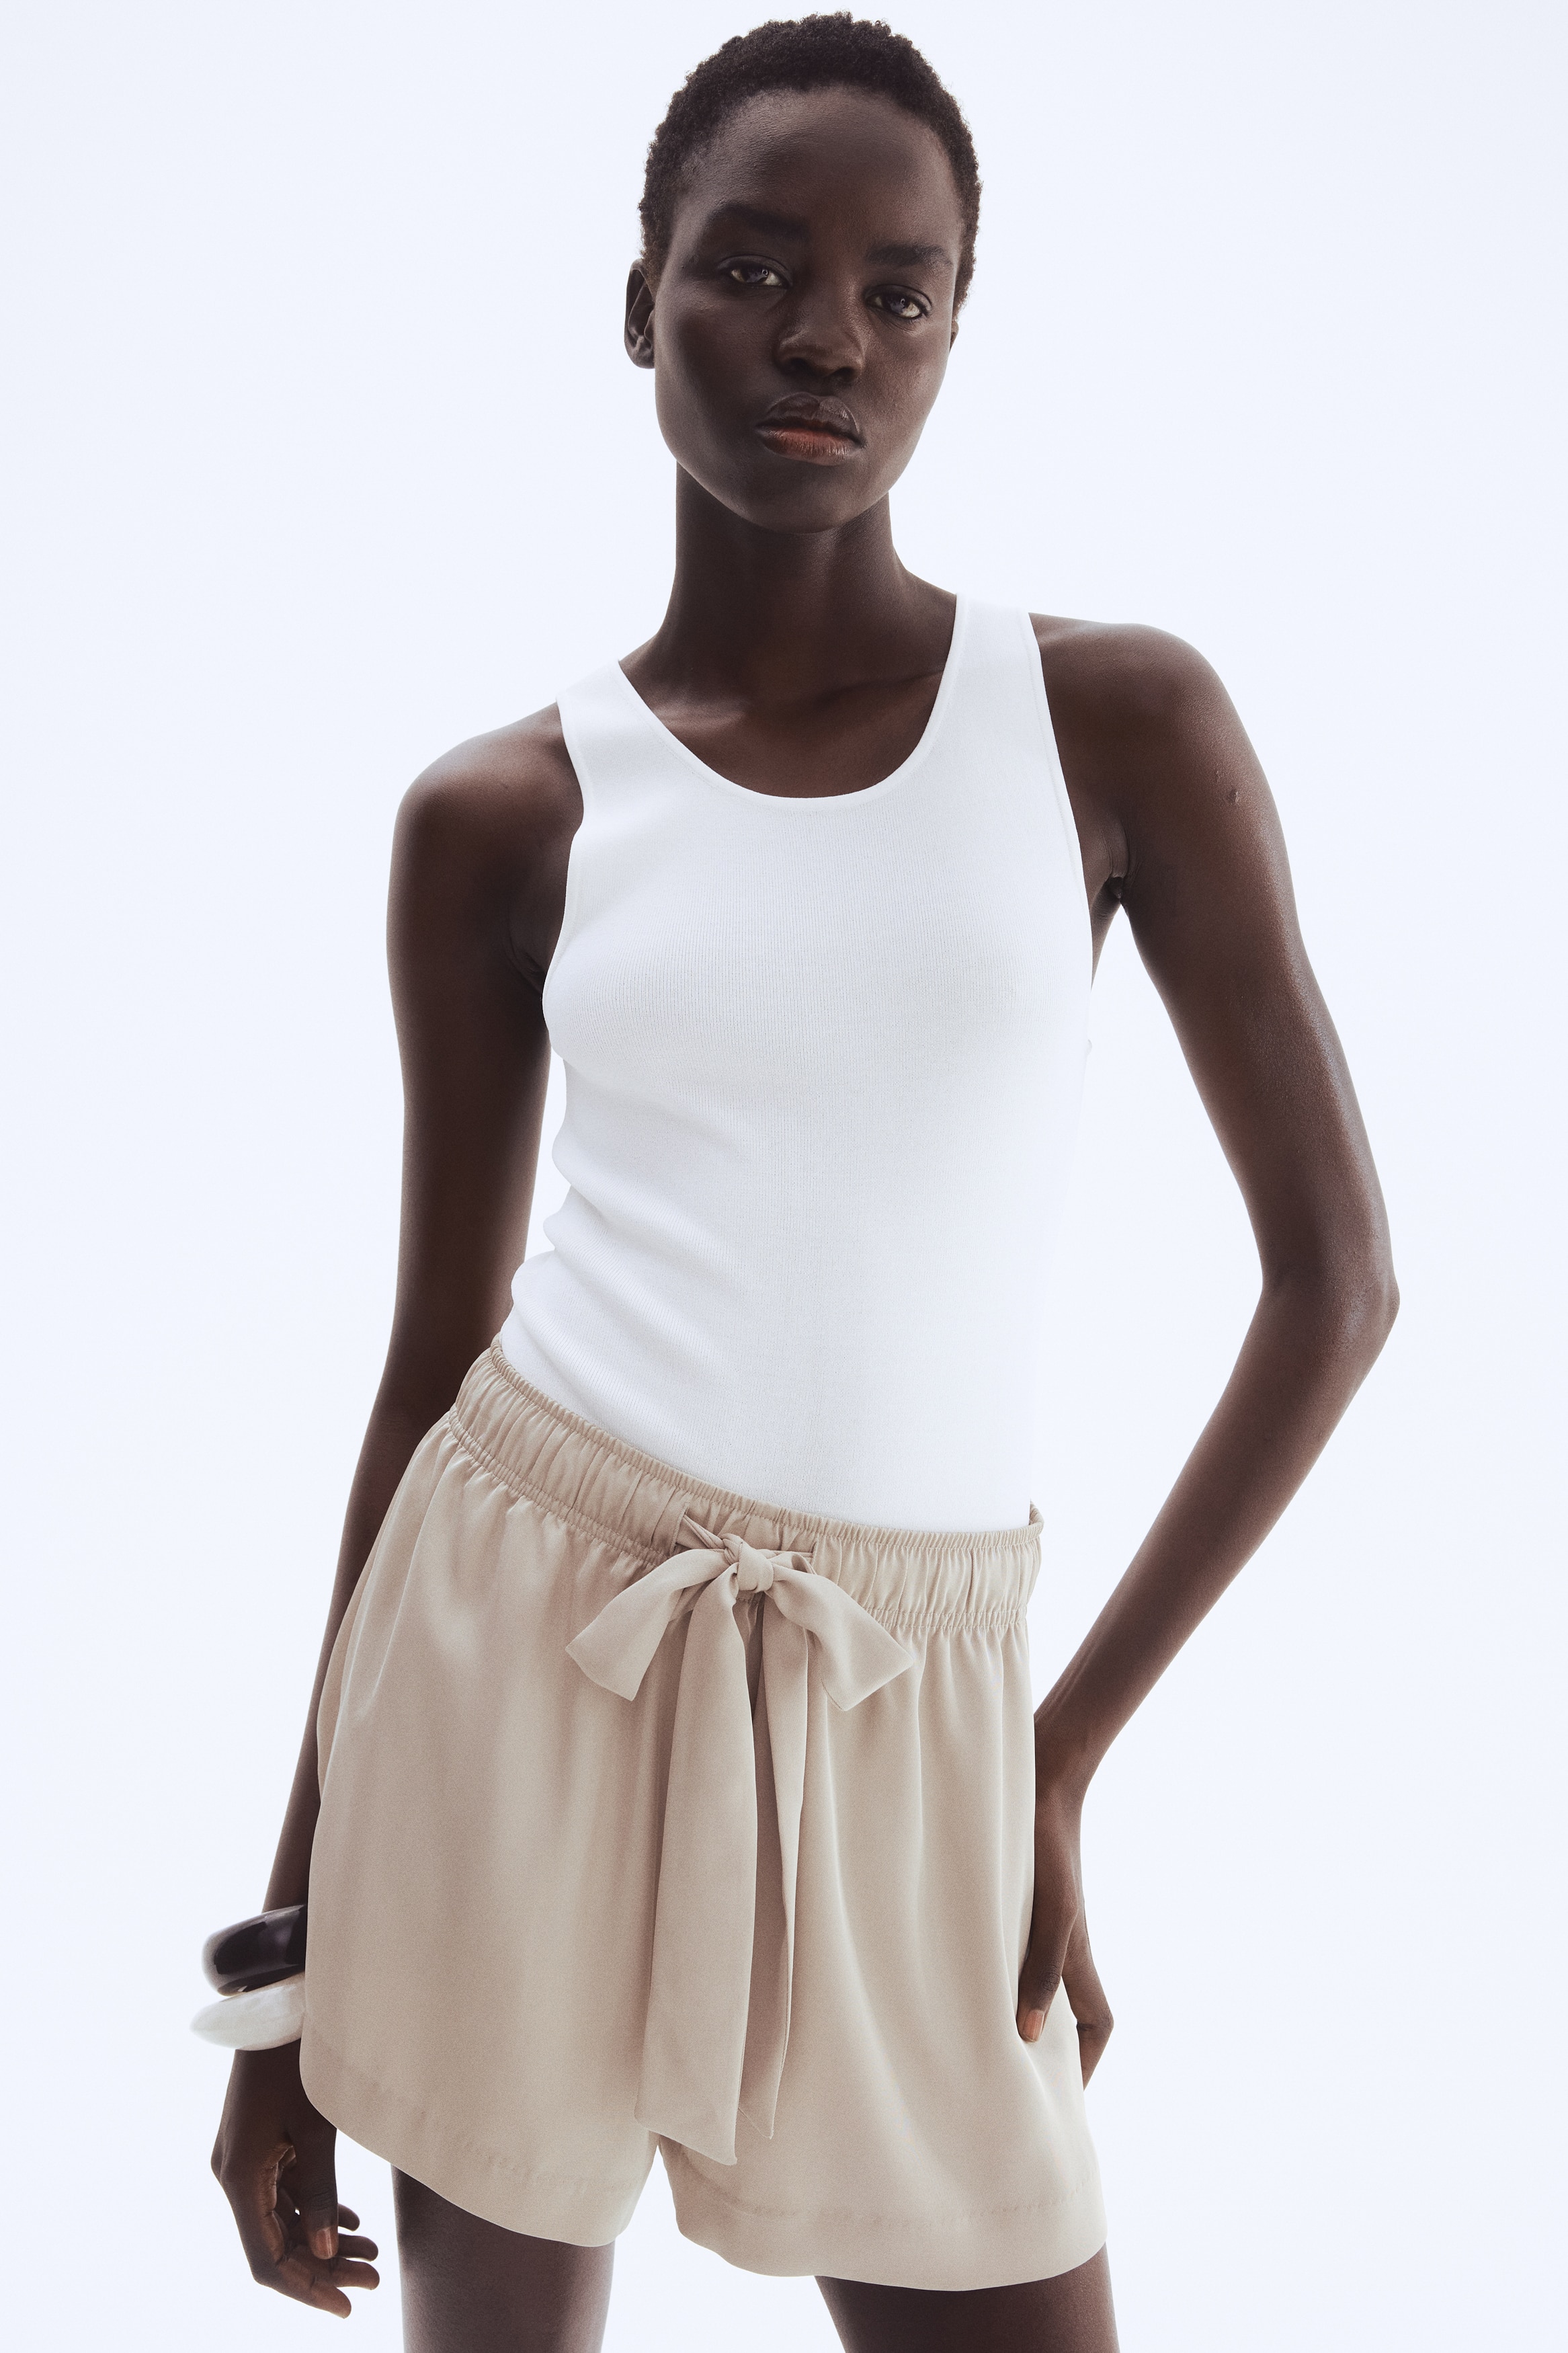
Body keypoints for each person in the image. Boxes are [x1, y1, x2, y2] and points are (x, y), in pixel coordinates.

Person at [209, 17, 1397, 2351]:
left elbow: (1335, 1283)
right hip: (523, 1643)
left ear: (954, 327)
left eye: (896, 288)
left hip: (912, 1689)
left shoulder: (1117, 724)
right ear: (639, 301)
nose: (827, 335)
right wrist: (285, 1961)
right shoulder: (506, 814)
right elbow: (433, 1366)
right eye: (752, 267)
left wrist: (1049, 1755)